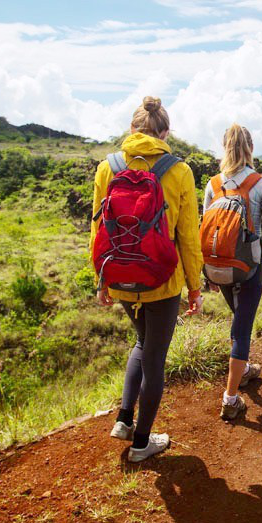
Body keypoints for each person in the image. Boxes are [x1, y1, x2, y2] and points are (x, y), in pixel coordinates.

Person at [91, 96, 204, 462]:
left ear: (132, 129)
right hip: (162, 281)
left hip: (120, 276)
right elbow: (188, 235)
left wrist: (101, 281)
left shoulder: (107, 167)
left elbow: (96, 230)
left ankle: (124, 420)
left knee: (142, 343)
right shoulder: (179, 171)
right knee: (155, 357)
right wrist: (195, 287)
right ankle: (142, 444)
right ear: (165, 133)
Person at [203, 124, 262, 421]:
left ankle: (244, 368)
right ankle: (231, 398)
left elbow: (205, 228)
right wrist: (258, 253)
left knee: (238, 319)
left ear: (225, 148)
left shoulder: (213, 184)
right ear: (251, 147)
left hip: (218, 267)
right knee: (242, 329)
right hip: (250, 268)